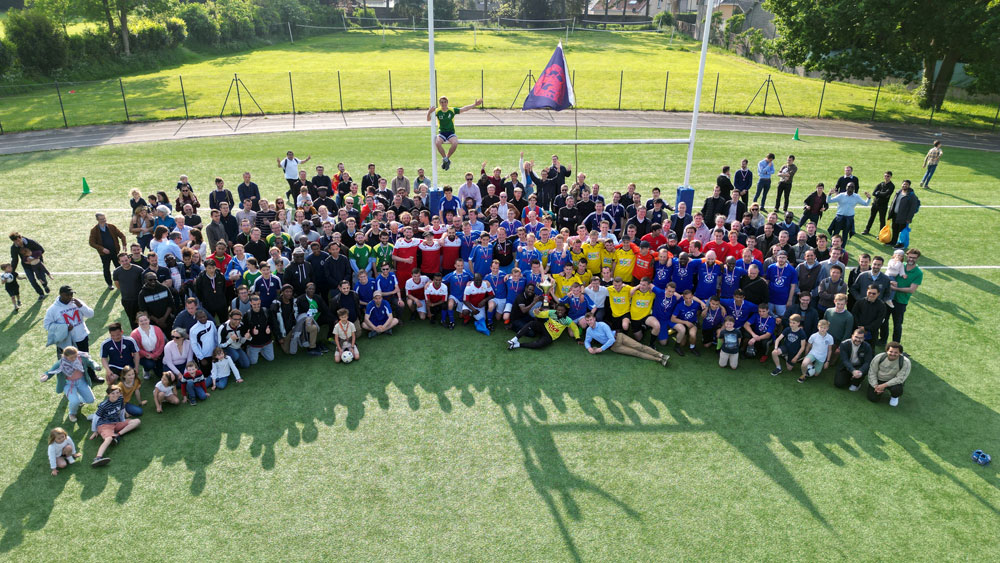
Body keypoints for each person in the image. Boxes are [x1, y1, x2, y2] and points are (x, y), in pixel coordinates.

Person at [582, 311, 669, 366]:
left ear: (594, 319)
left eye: (591, 320)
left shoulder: (602, 325)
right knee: (636, 353)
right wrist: (589, 348)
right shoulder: (589, 330)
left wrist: (601, 349)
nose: (590, 322)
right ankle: (659, 360)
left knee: (640, 346)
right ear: (586, 321)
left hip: (619, 337)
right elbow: (587, 341)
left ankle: (661, 355)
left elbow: (611, 339)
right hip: (614, 347)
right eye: (588, 321)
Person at [41, 346, 99, 422]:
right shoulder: (61, 363)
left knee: (90, 400)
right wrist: (46, 376)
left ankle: (79, 400)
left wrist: (96, 366)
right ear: (65, 356)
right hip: (69, 384)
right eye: (71, 357)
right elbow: (50, 371)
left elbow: (90, 362)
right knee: (74, 401)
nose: (74, 359)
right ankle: (72, 413)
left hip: (81, 381)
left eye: (75, 356)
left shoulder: (81, 358)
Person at [89, 386, 141, 467]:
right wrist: (94, 431)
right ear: (108, 394)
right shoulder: (103, 405)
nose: (115, 395)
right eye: (112, 393)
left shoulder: (120, 398)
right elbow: (96, 418)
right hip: (104, 425)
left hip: (116, 422)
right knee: (108, 439)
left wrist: (123, 421)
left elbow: (122, 410)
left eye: (117, 393)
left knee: (137, 421)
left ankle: (117, 435)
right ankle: (97, 458)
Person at [427, 96, 483, 170]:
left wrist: (474, 105)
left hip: (450, 132)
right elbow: (428, 119)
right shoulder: (437, 111)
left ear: (447, 103)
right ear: (439, 103)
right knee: (437, 142)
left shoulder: (452, 110)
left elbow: (464, 109)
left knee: (455, 143)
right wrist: (429, 112)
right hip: (442, 132)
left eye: (444, 102)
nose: (443, 104)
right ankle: (445, 159)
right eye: (441, 102)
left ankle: (446, 158)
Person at [44, 285, 95, 356]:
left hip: (82, 338)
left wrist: (81, 306)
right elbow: (47, 326)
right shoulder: (52, 309)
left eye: (71, 294)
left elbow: (91, 314)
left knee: (85, 361)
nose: (70, 296)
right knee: (69, 364)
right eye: (67, 295)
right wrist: (65, 327)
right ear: (61, 294)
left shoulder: (77, 302)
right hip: (66, 342)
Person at [507, 302, 582, 350]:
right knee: (532, 323)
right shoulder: (551, 312)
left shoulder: (568, 320)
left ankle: (518, 345)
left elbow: (575, 328)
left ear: (565, 311)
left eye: (562, 310)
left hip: (550, 336)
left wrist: (578, 339)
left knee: (539, 345)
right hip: (544, 327)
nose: (560, 312)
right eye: (558, 310)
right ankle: (515, 339)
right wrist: (536, 312)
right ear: (556, 309)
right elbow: (540, 315)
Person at [889, 248, 922, 343]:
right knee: (884, 321)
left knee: (897, 324)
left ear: (917, 258)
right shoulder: (899, 264)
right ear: (907, 256)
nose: (911, 259)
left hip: (901, 302)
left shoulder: (918, 273)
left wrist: (895, 289)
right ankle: (882, 341)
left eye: (914, 258)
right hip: (889, 298)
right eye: (910, 257)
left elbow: (911, 289)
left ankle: (895, 344)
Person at [89, 213, 128, 290]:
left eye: (104, 218)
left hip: (115, 252)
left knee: (119, 266)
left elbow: (122, 235)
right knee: (106, 268)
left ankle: (121, 282)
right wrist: (102, 249)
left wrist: (124, 244)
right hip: (104, 254)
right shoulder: (94, 230)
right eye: (101, 219)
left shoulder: (111, 227)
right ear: (97, 220)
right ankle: (109, 284)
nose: (103, 220)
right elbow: (91, 243)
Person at [867, 342, 910, 406]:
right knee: (873, 399)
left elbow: (900, 378)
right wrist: (875, 386)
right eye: (891, 351)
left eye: (896, 352)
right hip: (879, 379)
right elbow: (872, 372)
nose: (893, 354)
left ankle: (894, 397)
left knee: (897, 390)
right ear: (887, 351)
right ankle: (878, 390)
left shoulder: (905, 362)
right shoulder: (879, 357)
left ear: (900, 353)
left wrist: (883, 386)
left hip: (893, 381)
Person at [9, 231, 49, 299]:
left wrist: (34, 258)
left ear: (21, 237)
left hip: (37, 263)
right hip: (27, 265)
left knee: (42, 277)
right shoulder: (14, 248)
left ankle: (45, 285)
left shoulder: (30, 242)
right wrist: (12, 271)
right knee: (32, 280)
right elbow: (15, 260)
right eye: (15, 242)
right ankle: (41, 294)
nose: (18, 243)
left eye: (18, 241)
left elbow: (41, 250)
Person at [112, 253, 144, 329]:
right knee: (132, 319)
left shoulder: (138, 269)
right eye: (122, 261)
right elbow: (117, 284)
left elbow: (143, 283)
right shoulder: (116, 272)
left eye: (126, 260)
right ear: (119, 262)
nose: (125, 262)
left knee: (143, 318)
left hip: (140, 299)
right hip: (127, 300)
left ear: (129, 259)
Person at [130, 312, 165, 380]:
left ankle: (156, 366)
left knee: (161, 374)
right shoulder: (134, 334)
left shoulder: (156, 329)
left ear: (149, 320)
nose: (144, 322)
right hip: (144, 356)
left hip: (157, 353)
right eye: (141, 321)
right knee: (150, 364)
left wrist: (155, 355)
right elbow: (137, 349)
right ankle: (146, 370)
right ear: (137, 322)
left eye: (145, 320)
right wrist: (149, 355)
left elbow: (162, 343)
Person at [798, 319, 835, 383]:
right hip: (813, 354)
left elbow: (830, 350)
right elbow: (808, 347)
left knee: (816, 374)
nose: (822, 329)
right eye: (821, 327)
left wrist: (827, 361)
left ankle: (812, 365)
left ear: (828, 328)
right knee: (804, 363)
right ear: (818, 327)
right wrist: (806, 356)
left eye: (825, 328)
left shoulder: (830, 338)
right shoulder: (813, 336)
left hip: (822, 357)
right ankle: (803, 375)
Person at [887, 181, 920, 248]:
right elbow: (893, 203)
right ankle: (893, 242)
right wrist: (890, 214)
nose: (904, 185)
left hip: (904, 217)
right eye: (904, 184)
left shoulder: (911, 196)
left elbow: (912, 208)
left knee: (902, 231)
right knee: (894, 228)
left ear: (909, 186)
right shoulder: (898, 192)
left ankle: (901, 244)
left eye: (906, 185)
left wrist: (909, 218)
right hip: (895, 215)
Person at [863, 171, 895, 235]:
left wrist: (878, 193)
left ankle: (881, 234)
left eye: (888, 176)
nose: (886, 177)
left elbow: (886, 194)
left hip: (883, 205)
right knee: (871, 217)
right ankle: (867, 230)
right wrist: (879, 194)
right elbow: (874, 193)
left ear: (891, 177)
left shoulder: (891, 186)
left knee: (882, 220)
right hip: (875, 203)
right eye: (885, 176)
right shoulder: (881, 184)